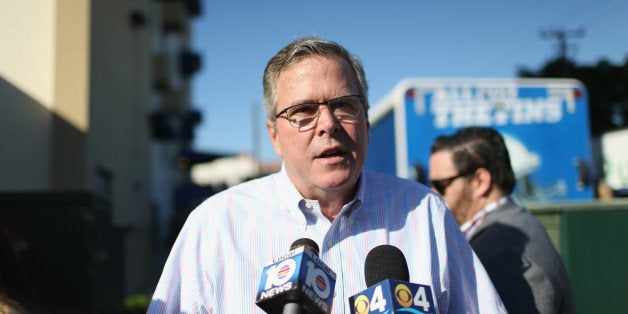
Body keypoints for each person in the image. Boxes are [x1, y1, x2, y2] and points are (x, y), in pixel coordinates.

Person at [148, 37, 505, 313]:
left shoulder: (425, 211)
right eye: (303, 111)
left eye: (344, 105)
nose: (329, 125)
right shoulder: (214, 225)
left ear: (365, 121)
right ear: (274, 135)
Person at [429, 126, 577, 314]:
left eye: (441, 185)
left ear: (480, 181)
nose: (432, 195)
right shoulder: (510, 232)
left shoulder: (504, 252)